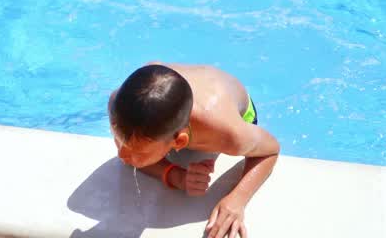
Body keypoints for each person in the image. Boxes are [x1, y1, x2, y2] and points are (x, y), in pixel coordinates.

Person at [110, 63, 279, 238]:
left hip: (230, 106)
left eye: (140, 152)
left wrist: (237, 200)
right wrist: (175, 175)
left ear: (179, 142)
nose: (122, 154)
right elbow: (126, 156)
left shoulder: (230, 134)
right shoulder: (119, 105)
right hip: (187, 88)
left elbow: (271, 149)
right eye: (120, 139)